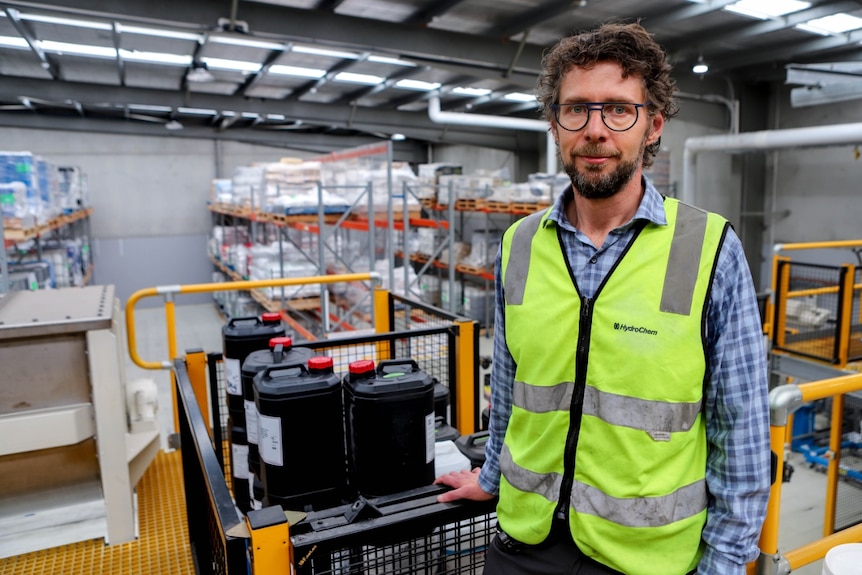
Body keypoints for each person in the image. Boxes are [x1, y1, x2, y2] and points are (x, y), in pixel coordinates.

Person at [434, 21, 771, 575]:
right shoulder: (519, 245)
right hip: (523, 546)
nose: (595, 130)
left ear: (652, 125)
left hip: (645, 562)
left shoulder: (709, 249)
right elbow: (511, 391)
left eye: (618, 109)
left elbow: (741, 435)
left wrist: (724, 567)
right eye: (576, 109)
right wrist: (491, 476)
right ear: (554, 124)